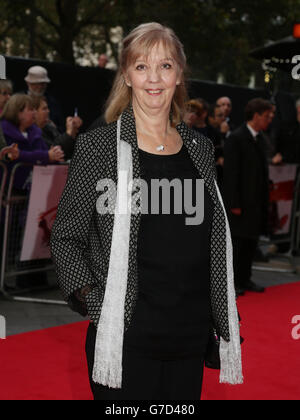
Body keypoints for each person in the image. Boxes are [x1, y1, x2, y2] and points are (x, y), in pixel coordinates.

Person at [50, 22, 243, 401]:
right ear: (126, 75)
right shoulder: (98, 148)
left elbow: (211, 238)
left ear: (179, 74)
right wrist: (94, 299)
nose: (154, 78)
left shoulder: (200, 149)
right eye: (141, 67)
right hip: (124, 339)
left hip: (189, 336)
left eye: (165, 66)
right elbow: (66, 236)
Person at [223, 98, 274, 296]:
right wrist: (234, 202)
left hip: (256, 201)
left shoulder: (261, 139)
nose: (269, 120)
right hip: (240, 201)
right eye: (267, 116)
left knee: (251, 242)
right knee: (237, 244)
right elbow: (231, 173)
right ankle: (232, 282)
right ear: (256, 116)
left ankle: (245, 278)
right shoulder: (236, 138)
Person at [33, 96, 83, 161]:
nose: (48, 111)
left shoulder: (50, 127)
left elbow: (66, 151)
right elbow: (54, 150)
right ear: (34, 112)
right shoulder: (32, 132)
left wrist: (72, 132)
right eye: (44, 109)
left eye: (48, 108)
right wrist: (68, 133)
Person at [25, 66, 65, 133]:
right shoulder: (18, 100)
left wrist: (54, 127)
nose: (40, 87)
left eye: (43, 83)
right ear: (28, 83)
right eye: (36, 83)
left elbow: (62, 126)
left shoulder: (52, 102)